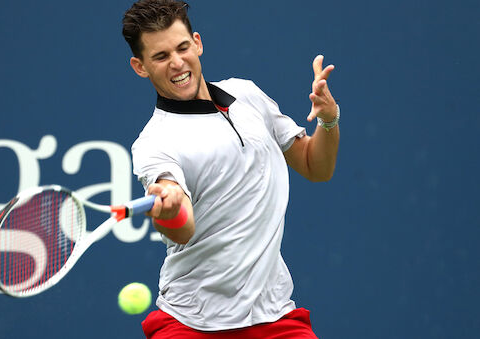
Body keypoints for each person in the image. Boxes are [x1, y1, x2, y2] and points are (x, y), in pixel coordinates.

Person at [122, 1, 340, 338]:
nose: (178, 63)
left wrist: (328, 119)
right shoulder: (154, 142)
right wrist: (171, 206)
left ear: (197, 42)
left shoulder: (247, 94)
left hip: (274, 315)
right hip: (191, 322)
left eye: (182, 48)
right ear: (140, 66)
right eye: (161, 56)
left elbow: (316, 166)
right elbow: (183, 229)